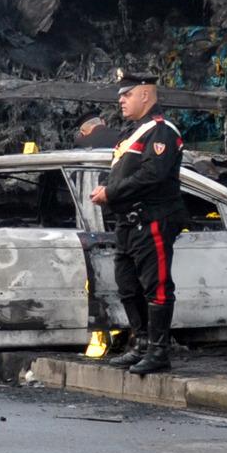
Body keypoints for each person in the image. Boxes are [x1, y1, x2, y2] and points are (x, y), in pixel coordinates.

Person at [90, 72, 186, 375]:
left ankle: (159, 351)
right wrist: (107, 188)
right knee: (128, 286)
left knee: (156, 286)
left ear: (145, 94)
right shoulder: (133, 132)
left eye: (127, 94)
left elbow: (152, 176)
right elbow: (124, 172)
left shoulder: (161, 131)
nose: (120, 100)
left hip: (151, 219)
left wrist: (111, 192)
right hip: (127, 223)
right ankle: (142, 344)